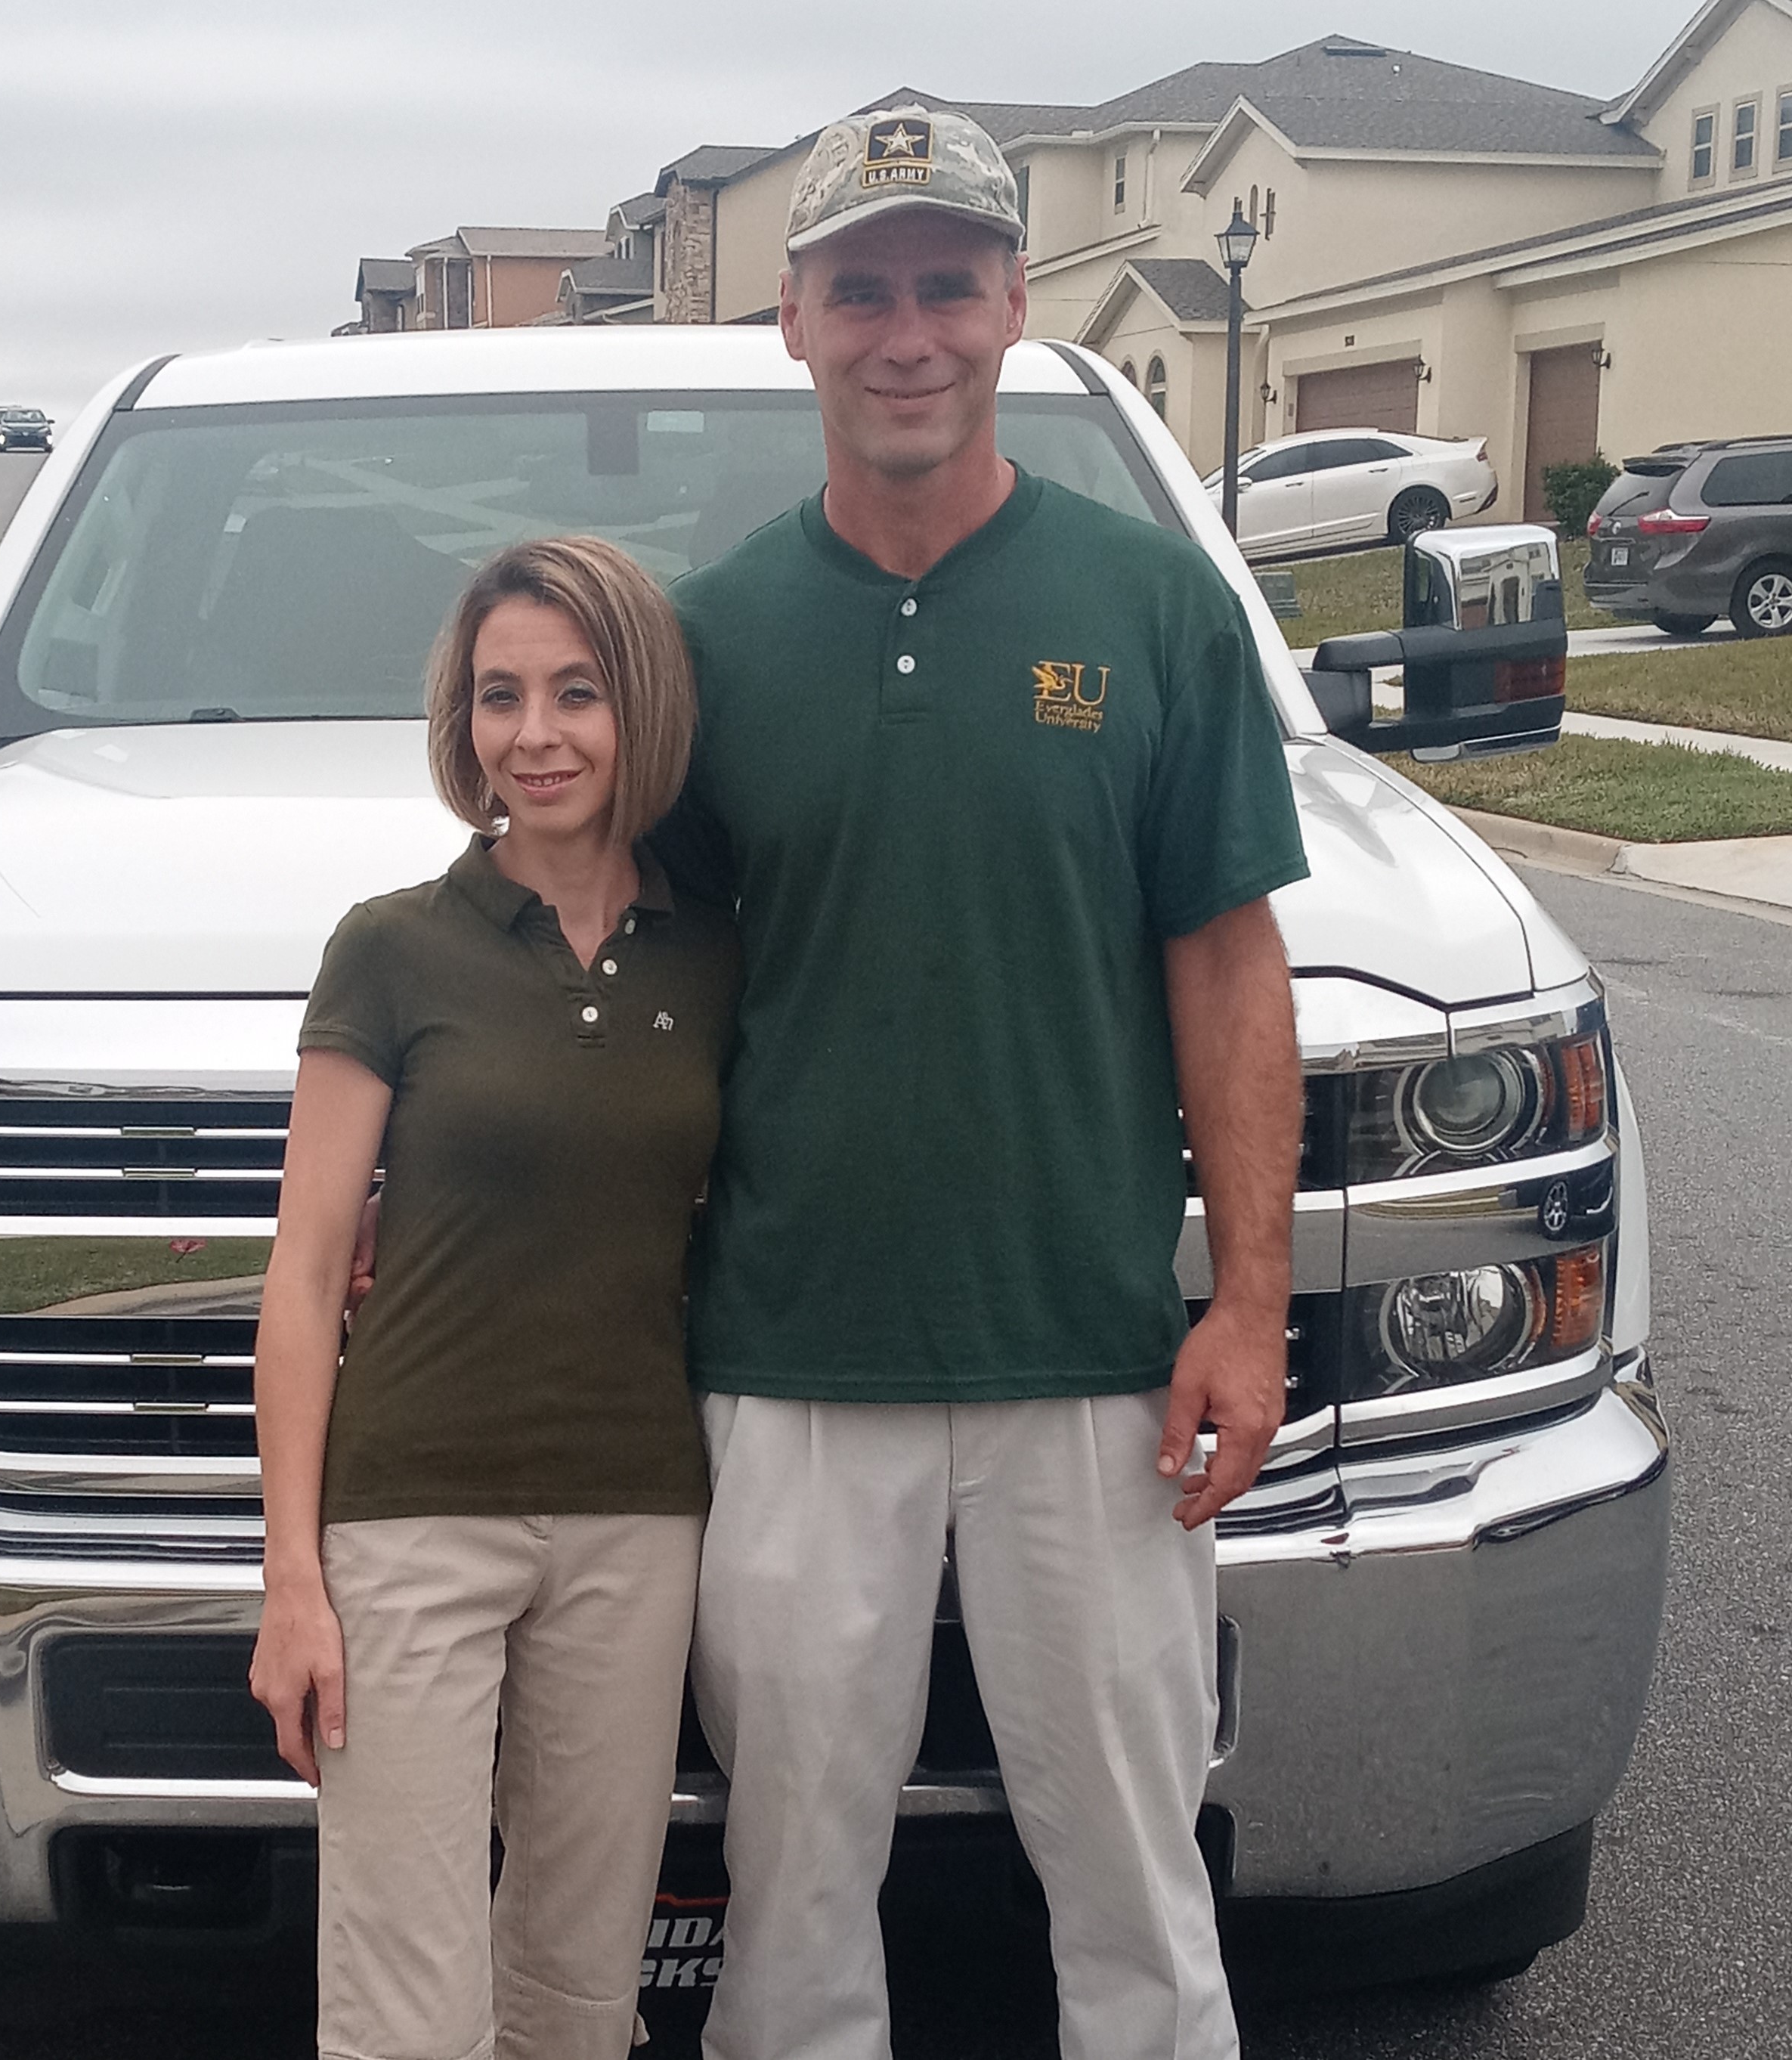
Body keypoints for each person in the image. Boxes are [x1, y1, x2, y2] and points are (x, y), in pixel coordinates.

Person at [657, 107, 1311, 2060]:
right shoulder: (709, 642)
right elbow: (642, 1000)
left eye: (949, 284)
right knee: (790, 1878)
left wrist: (1252, 1304)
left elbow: (1229, 963)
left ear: (1017, 305)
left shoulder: (1153, 608)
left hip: (1094, 1350)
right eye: (864, 289)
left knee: (1130, 1860)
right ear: (795, 323)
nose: (908, 332)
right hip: (785, 1357)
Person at [249, 535, 739, 2060]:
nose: (535, 734)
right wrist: (291, 1581)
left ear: (638, 709)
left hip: (638, 1512)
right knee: (409, 1994)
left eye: (577, 692)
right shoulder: (392, 948)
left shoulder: (721, 955)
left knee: (583, 1987)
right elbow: (309, 1267)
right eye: (499, 697)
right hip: (412, 1516)